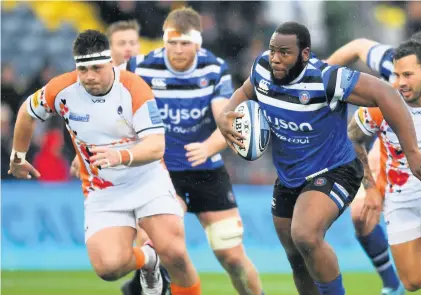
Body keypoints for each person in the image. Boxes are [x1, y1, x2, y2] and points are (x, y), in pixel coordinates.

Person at [216, 21, 421, 295]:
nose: (275, 58)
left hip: (336, 170)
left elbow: (386, 94)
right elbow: (247, 90)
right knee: (296, 256)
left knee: (305, 235)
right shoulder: (263, 68)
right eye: (273, 50)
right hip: (289, 177)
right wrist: (227, 112)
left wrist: (413, 152)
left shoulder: (327, 79)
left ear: (305, 54)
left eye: (284, 53)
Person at [8, 29, 202, 295]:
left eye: (96, 68)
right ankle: (148, 260)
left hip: (147, 181)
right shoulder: (61, 89)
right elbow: (26, 113)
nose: (89, 76)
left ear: (110, 62)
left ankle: (163, 263)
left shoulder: (134, 88)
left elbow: (157, 146)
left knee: (175, 252)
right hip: (103, 189)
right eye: (83, 69)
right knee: (108, 268)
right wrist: (18, 156)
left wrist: (121, 156)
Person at [122, 7, 265, 295]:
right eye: (171, 42)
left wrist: (209, 146)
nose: (177, 49)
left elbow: (224, 116)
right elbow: (119, 115)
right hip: (160, 175)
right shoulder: (139, 67)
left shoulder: (214, 69)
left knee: (233, 258)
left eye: (184, 43)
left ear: (197, 43)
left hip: (207, 173)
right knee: (160, 248)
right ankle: (145, 284)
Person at [326, 30, 421, 294]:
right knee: (413, 282)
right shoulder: (383, 100)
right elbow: (353, 137)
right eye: (396, 75)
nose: (400, 82)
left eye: (407, 75)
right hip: (400, 200)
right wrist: (371, 188)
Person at [71, 19, 141, 176]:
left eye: (133, 42)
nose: (129, 48)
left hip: (143, 158)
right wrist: (79, 151)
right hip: (105, 159)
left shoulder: (151, 78)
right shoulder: (92, 81)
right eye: (122, 43)